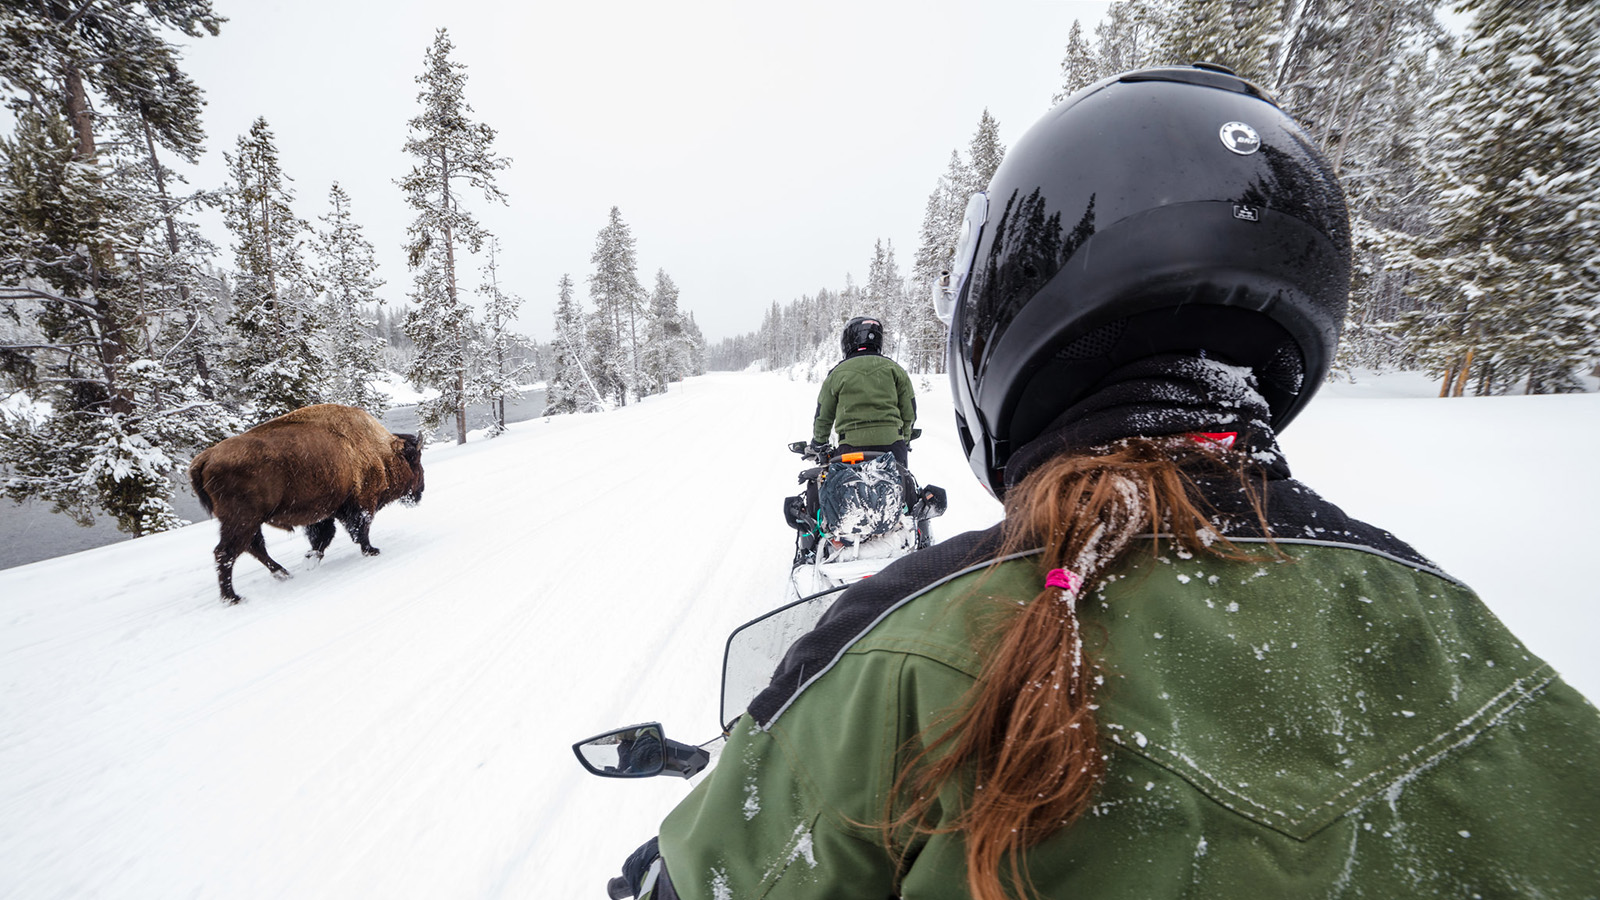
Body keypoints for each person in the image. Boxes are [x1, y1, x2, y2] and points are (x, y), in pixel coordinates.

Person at [615, 65, 1600, 899]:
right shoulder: (1470, 635)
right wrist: (899, 433)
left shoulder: (900, 654)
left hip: (849, 474)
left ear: (1000, 319)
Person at [808, 316, 916, 468]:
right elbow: (909, 412)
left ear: (848, 341)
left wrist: (818, 442)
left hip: (851, 447)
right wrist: (904, 439)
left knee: (846, 489)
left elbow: (823, 416)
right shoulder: (895, 369)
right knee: (901, 488)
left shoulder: (837, 373)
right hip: (892, 444)